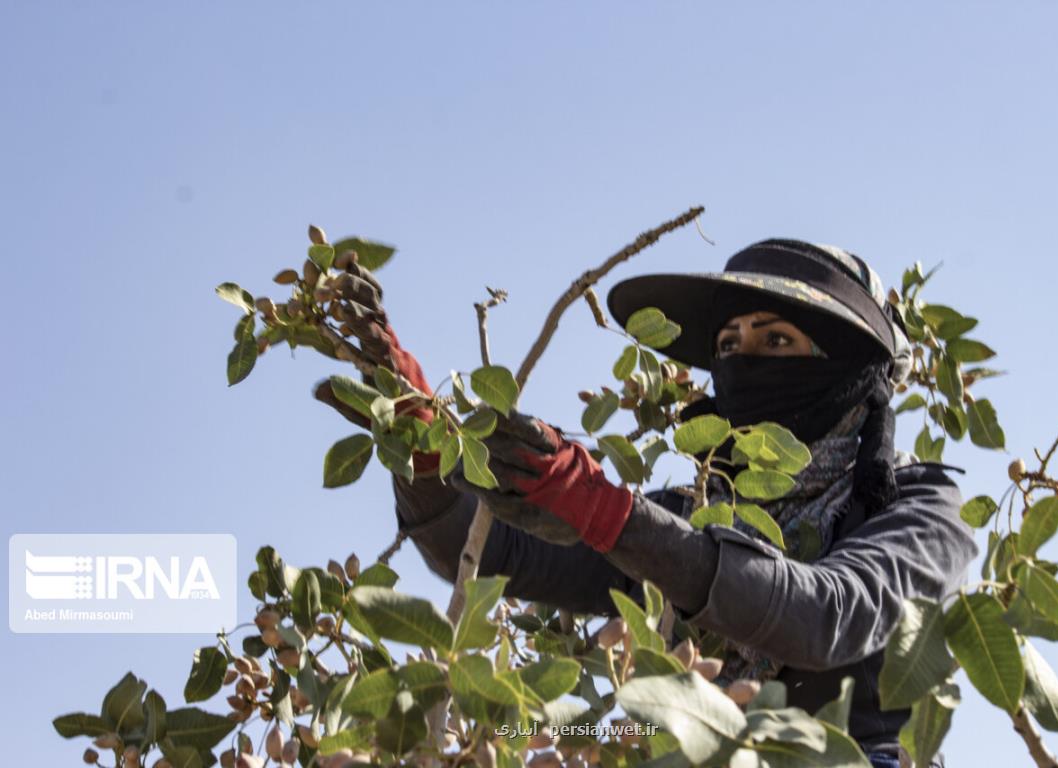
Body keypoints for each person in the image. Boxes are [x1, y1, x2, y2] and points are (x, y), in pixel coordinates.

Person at [316, 239, 977, 768]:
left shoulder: (919, 508)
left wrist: (606, 511)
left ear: (853, 367)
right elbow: (486, 550)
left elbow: (824, 616)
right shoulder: (690, 513)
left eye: (776, 340)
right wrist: (422, 444)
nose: (745, 360)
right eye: (729, 346)